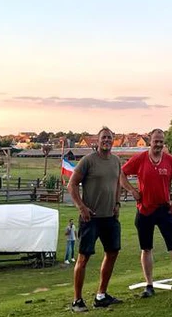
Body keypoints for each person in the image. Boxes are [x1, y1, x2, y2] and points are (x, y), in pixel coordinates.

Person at [121, 128, 172, 300]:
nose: (158, 144)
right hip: (144, 209)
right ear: (150, 141)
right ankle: (149, 285)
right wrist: (132, 190)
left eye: (161, 141)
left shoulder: (170, 161)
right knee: (146, 248)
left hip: (164, 209)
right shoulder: (140, 158)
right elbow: (121, 173)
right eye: (155, 141)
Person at [67, 127, 124, 312]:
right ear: (97, 141)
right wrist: (81, 207)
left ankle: (101, 295)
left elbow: (117, 183)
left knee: (113, 253)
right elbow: (71, 185)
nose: (107, 140)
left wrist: (117, 203)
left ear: (113, 140)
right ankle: (77, 300)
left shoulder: (116, 161)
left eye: (109, 138)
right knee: (83, 258)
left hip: (110, 218)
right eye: (103, 138)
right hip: (90, 218)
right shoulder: (88, 161)